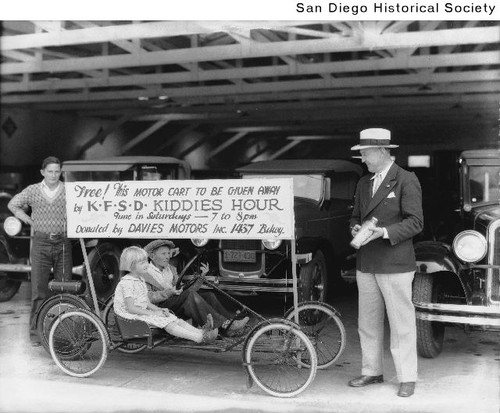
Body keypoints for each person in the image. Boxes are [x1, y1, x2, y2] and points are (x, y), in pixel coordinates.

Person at [348, 128, 424, 398]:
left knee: (401, 323)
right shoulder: (363, 183)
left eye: (366, 153)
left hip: (395, 263)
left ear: (382, 151)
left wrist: (385, 233)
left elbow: (416, 222)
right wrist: (356, 228)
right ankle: (372, 371)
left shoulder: (406, 179)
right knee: (367, 322)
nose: (363, 159)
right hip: (366, 263)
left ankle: (407, 377)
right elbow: (355, 216)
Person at [8, 156, 72, 347]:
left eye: (57, 171)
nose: (54, 175)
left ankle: (63, 332)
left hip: (63, 243)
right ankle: (36, 334)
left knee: (64, 288)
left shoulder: (69, 190)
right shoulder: (33, 190)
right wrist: (27, 219)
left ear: (60, 172)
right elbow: (13, 204)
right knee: (39, 290)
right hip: (41, 243)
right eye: (50, 171)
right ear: (43, 172)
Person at [114, 246, 218, 344]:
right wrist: (154, 313)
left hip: (142, 312)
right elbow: (131, 308)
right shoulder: (127, 282)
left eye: (145, 261)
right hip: (130, 317)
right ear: (132, 266)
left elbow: (146, 303)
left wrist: (158, 310)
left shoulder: (140, 280)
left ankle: (201, 332)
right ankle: (199, 338)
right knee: (168, 322)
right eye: (142, 263)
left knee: (174, 318)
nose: (146, 264)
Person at [143, 240, 249, 335]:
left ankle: (231, 323)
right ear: (152, 256)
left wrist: (201, 276)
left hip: (175, 302)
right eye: (163, 254)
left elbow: (184, 289)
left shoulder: (171, 269)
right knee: (189, 295)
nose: (168, 257)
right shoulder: (145, 273)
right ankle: (225, 326)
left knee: (209, 295)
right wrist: (169, 292)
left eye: (168, 253)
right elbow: (149, 298)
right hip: (160, 308)